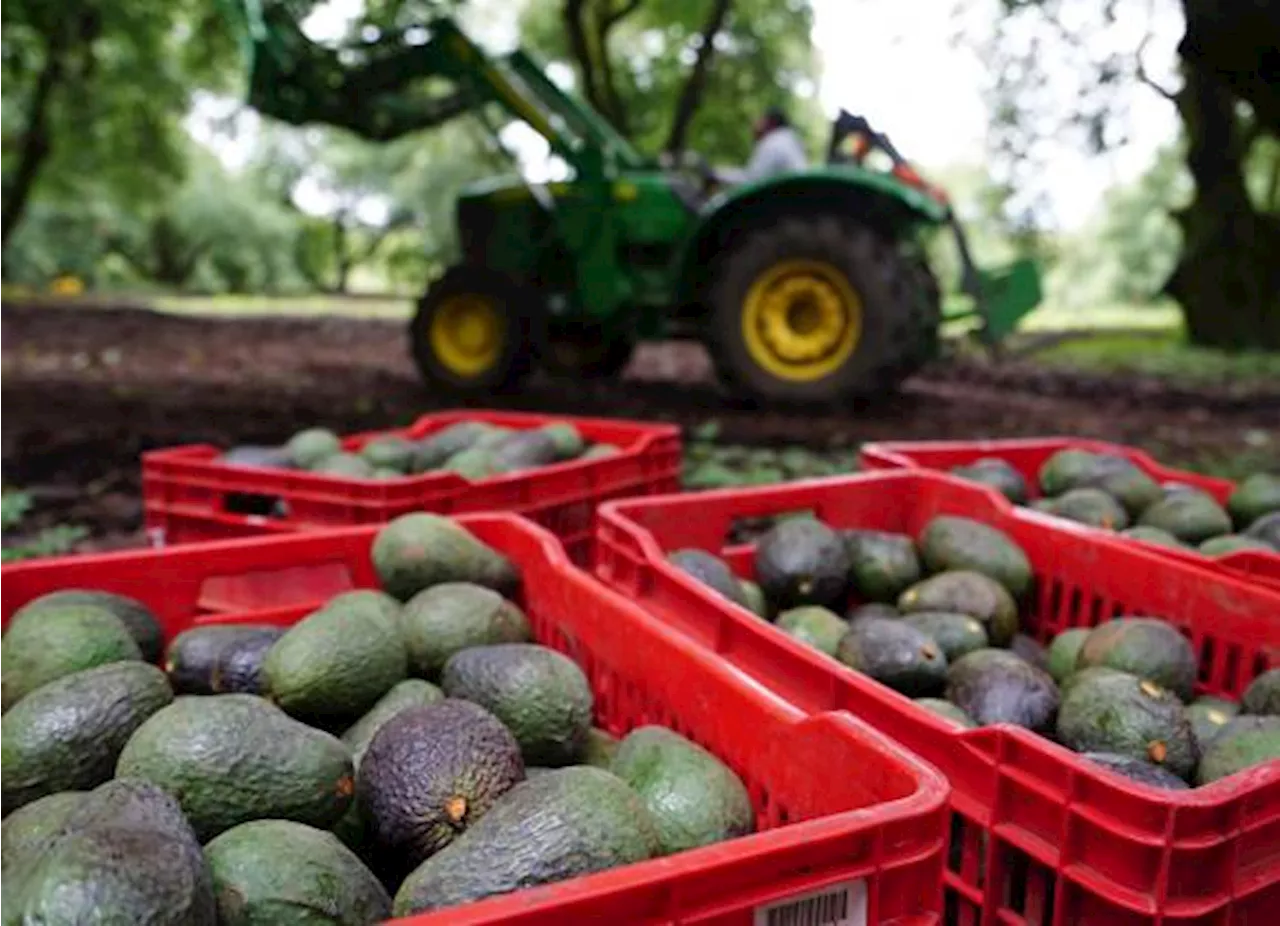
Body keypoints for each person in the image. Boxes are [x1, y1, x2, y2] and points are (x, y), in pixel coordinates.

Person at [743, 106, 809, 181]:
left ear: (771, 122)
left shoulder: (771, 141)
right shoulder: (791, 140)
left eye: (761, 119)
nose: (756, 123)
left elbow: (753, 178)